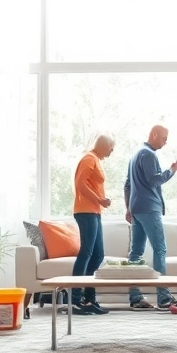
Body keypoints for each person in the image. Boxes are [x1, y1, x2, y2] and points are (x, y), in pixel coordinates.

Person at [124, 125, 177, 309]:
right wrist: (172, 170)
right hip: (150, 208)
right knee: (159, 250)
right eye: (164, 138)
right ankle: (164, 298)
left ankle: (135, 298)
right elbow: (154, 179)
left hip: (136, 209)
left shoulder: (135, 155)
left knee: (136, 252)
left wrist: (128, 208)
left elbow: (127, 185)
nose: (165, 143)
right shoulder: (148, 154)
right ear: (154, 134)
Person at [71, 134, 115, 315]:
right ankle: (74, 301)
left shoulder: (95, 159)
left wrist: (100, 201)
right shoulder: (89, 158)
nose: (112, 151)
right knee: (87, 253)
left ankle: (89, 299)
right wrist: (99, 199)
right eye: (112, 147)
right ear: (104, 145)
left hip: (94, 211)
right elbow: (80, 184)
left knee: (98, 255)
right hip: (85, 211)